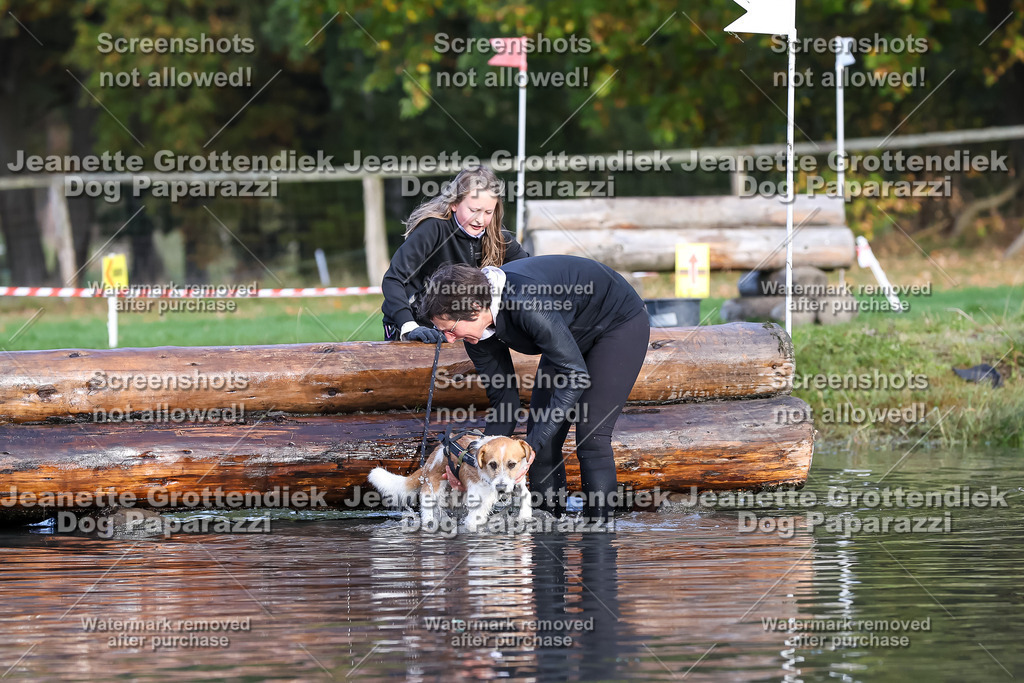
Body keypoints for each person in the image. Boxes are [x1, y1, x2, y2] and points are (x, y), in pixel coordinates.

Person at [417, 255, 651, 523]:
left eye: (451, 329)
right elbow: (504, 400)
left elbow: (575, 375)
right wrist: (472, 467)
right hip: (569, 328)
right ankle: (547, 529)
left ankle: (598, 534)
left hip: (616, 321)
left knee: (591, 437)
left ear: (474, 307)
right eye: (442, 331)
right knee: (543, 439)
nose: (449, 338)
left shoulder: (526, 303)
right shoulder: (474, 331)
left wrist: (531, 445)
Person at [380, 166, 529, 342]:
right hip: (415, 324)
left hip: (461, 328)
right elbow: (393, 279)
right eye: (474, 210)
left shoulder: (499, 238)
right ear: (454, 204)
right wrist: (409, 325)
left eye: (488, 212)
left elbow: (529, 275)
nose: (480, 219)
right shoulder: (433, 228)